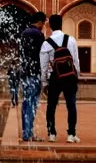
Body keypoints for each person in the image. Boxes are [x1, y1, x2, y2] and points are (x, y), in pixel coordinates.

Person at [40, 14, 80, 143]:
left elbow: (43, 65)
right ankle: (71, 134)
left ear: (49, 26)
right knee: (71, 105)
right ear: (62, 24)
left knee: (51, 105)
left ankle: (51, 133)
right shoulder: (71, 39)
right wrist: (76, 75)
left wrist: (44, 81)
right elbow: (75, 60)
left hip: (55, 76)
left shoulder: (46, 43)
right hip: (69, 77)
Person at [18, 12, 47, 142]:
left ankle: (26, 131)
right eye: (43, 24)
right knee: (32, 104)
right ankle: (28, 134)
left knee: (26, 103)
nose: (43, 26)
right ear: (40, 22)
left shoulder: (24, 33)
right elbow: (42, 54)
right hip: (34, 73)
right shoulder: (38, 34)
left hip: (25, 73)